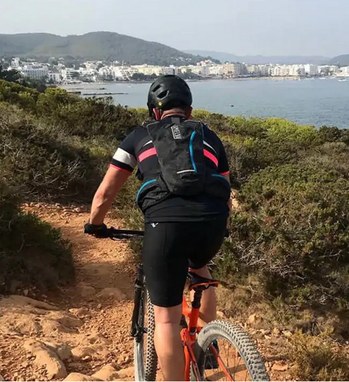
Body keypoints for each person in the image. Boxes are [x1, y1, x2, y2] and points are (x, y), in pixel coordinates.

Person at [84, 75, 231, 380]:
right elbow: (225, 188)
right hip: (212, 222)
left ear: (154, 111)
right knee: (200, 269)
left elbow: (105, 193)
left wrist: (95, 224)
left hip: (165, 224)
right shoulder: (209, 136)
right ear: (189, 111)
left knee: (165, 320)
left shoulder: (138, 136)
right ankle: (209, 344)